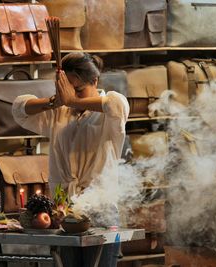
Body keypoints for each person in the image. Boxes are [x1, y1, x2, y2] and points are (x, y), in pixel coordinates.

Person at [12, 52, 130, 267]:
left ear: (94, 81)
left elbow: (116, 104)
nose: (70, 97)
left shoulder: (111, 108)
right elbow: (20, 108)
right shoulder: (59, 112)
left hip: (99, 209)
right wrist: (54, 101)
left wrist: (72, 100)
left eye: (78, 89)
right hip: (62, 210)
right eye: (65, 89)